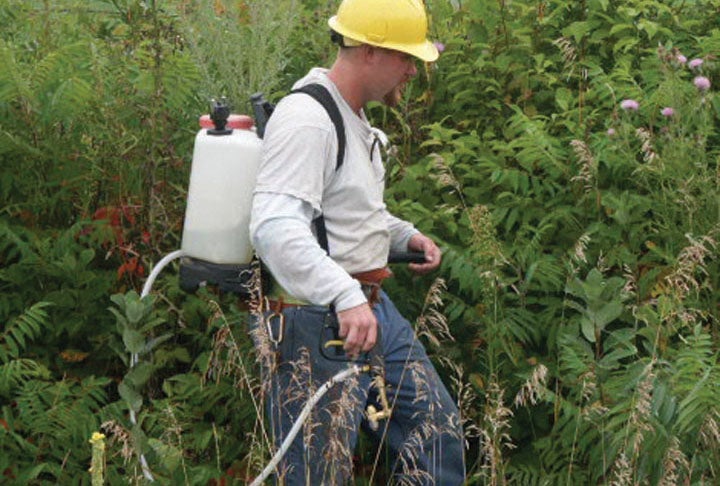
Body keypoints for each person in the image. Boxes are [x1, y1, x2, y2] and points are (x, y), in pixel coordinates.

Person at [249, 0, 465, 483]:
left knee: (435, 434)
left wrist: (402, 235)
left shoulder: (354, 117)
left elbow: (343, 212)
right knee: (318, 471)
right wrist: (345, 296)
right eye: (405, 58)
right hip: (314, 319)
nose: (412, 70)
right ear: (368, 50)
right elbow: (275, 225)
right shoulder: (307, 118)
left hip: (368, 306)